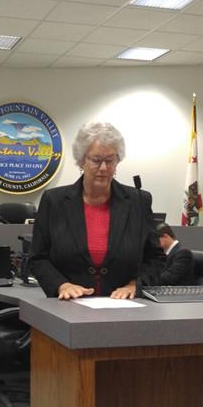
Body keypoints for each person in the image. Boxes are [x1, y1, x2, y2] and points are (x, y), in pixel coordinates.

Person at [29, 121, 159, 300]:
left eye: (110, 160)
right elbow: (37, 258)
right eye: (96, 160)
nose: (104, 168)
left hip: (126, 308)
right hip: (69, 307)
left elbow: (155, 258)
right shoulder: (54, 201)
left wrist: (135, 285)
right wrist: (62, 285)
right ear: (81, 161)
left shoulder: (139, 201)